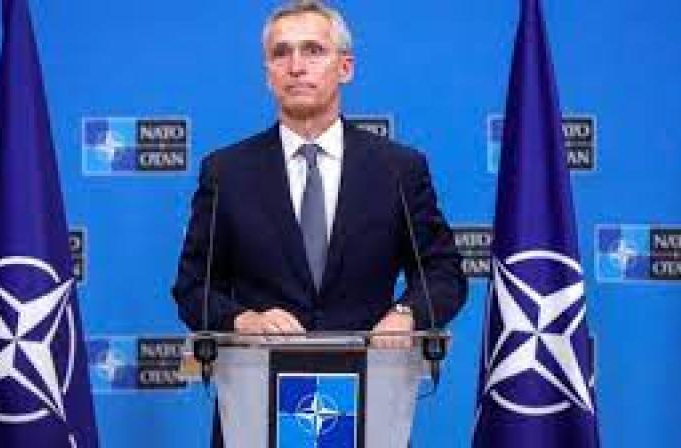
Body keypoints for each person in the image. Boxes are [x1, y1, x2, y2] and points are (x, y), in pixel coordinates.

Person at [172, 1, 466, 445]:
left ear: (345, 67)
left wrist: (407, 315)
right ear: (268, 74)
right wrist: (242, 320)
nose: (296, 66)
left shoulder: (397, 170)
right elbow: (193, 288)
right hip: (256, 410)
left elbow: (443, 274)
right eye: (281, 53)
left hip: (368, 406)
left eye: (313, 50)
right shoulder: (226, 173)